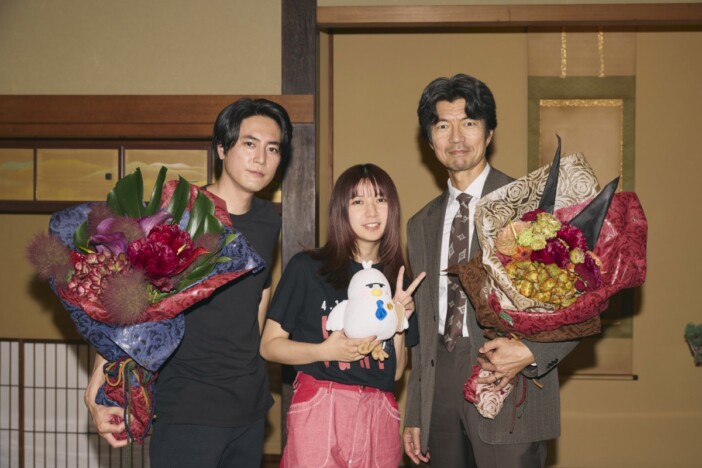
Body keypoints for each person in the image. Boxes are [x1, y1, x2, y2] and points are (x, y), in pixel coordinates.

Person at [84, 98, 293, 468]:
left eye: (272, 148)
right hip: (187, 404)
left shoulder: (268, 220)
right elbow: (130, 300)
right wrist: (98, 382)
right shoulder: (182, 213)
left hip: (248, 405)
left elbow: (259, 296)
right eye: (249, 143)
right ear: (221, 148)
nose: (261, 158)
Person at [402, 74, 579, 468]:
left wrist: (531, 352)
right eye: (442, 125)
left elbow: (580, 300)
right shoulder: (420, 224)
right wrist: (415, 410)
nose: (456, 137)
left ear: (489, 132)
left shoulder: (530, 205)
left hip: (510, 380)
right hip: (439, 384)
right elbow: (423, 327)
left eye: (469, 122)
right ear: (429, 140)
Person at [260, 163, 425, 468]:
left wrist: (399, 318)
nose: (372, 211)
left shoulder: (398, 280)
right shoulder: (308, 268)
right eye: (358, 201)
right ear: (341, 210)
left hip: (380, 411)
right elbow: (269, 345)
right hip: (321, 404)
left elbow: (395, 373)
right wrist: (324, 351)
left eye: (380, 199)